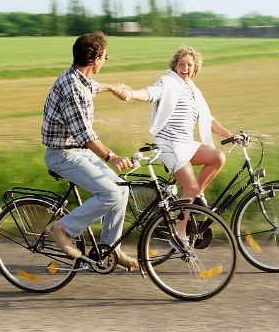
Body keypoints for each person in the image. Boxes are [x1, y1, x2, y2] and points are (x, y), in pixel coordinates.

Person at [41, 31, 137, 269]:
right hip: (63, 155)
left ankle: (109, 249)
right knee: (111, 194)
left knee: (121, 190)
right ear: (95, 60)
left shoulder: (77, 77)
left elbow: (91, 86)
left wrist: (112, 87)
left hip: (76, 152)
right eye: (105, 56)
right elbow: (85, 135)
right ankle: (62, 228)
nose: (106, 60)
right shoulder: (72, 88)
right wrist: (111, 157)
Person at [119, 45, 234, 238]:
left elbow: (208, 119)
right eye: (182, 64)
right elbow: (151, 93)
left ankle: (193, 198)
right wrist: (131, 93)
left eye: (190, 65)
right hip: (169, 145)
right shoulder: (168, 83)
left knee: (217, 158)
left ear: (195, 68)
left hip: (186, 144)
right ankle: (180, 233)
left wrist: (229, 135)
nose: (186, 68)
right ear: (175, 65)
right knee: (190, 187)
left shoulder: (193, 90)